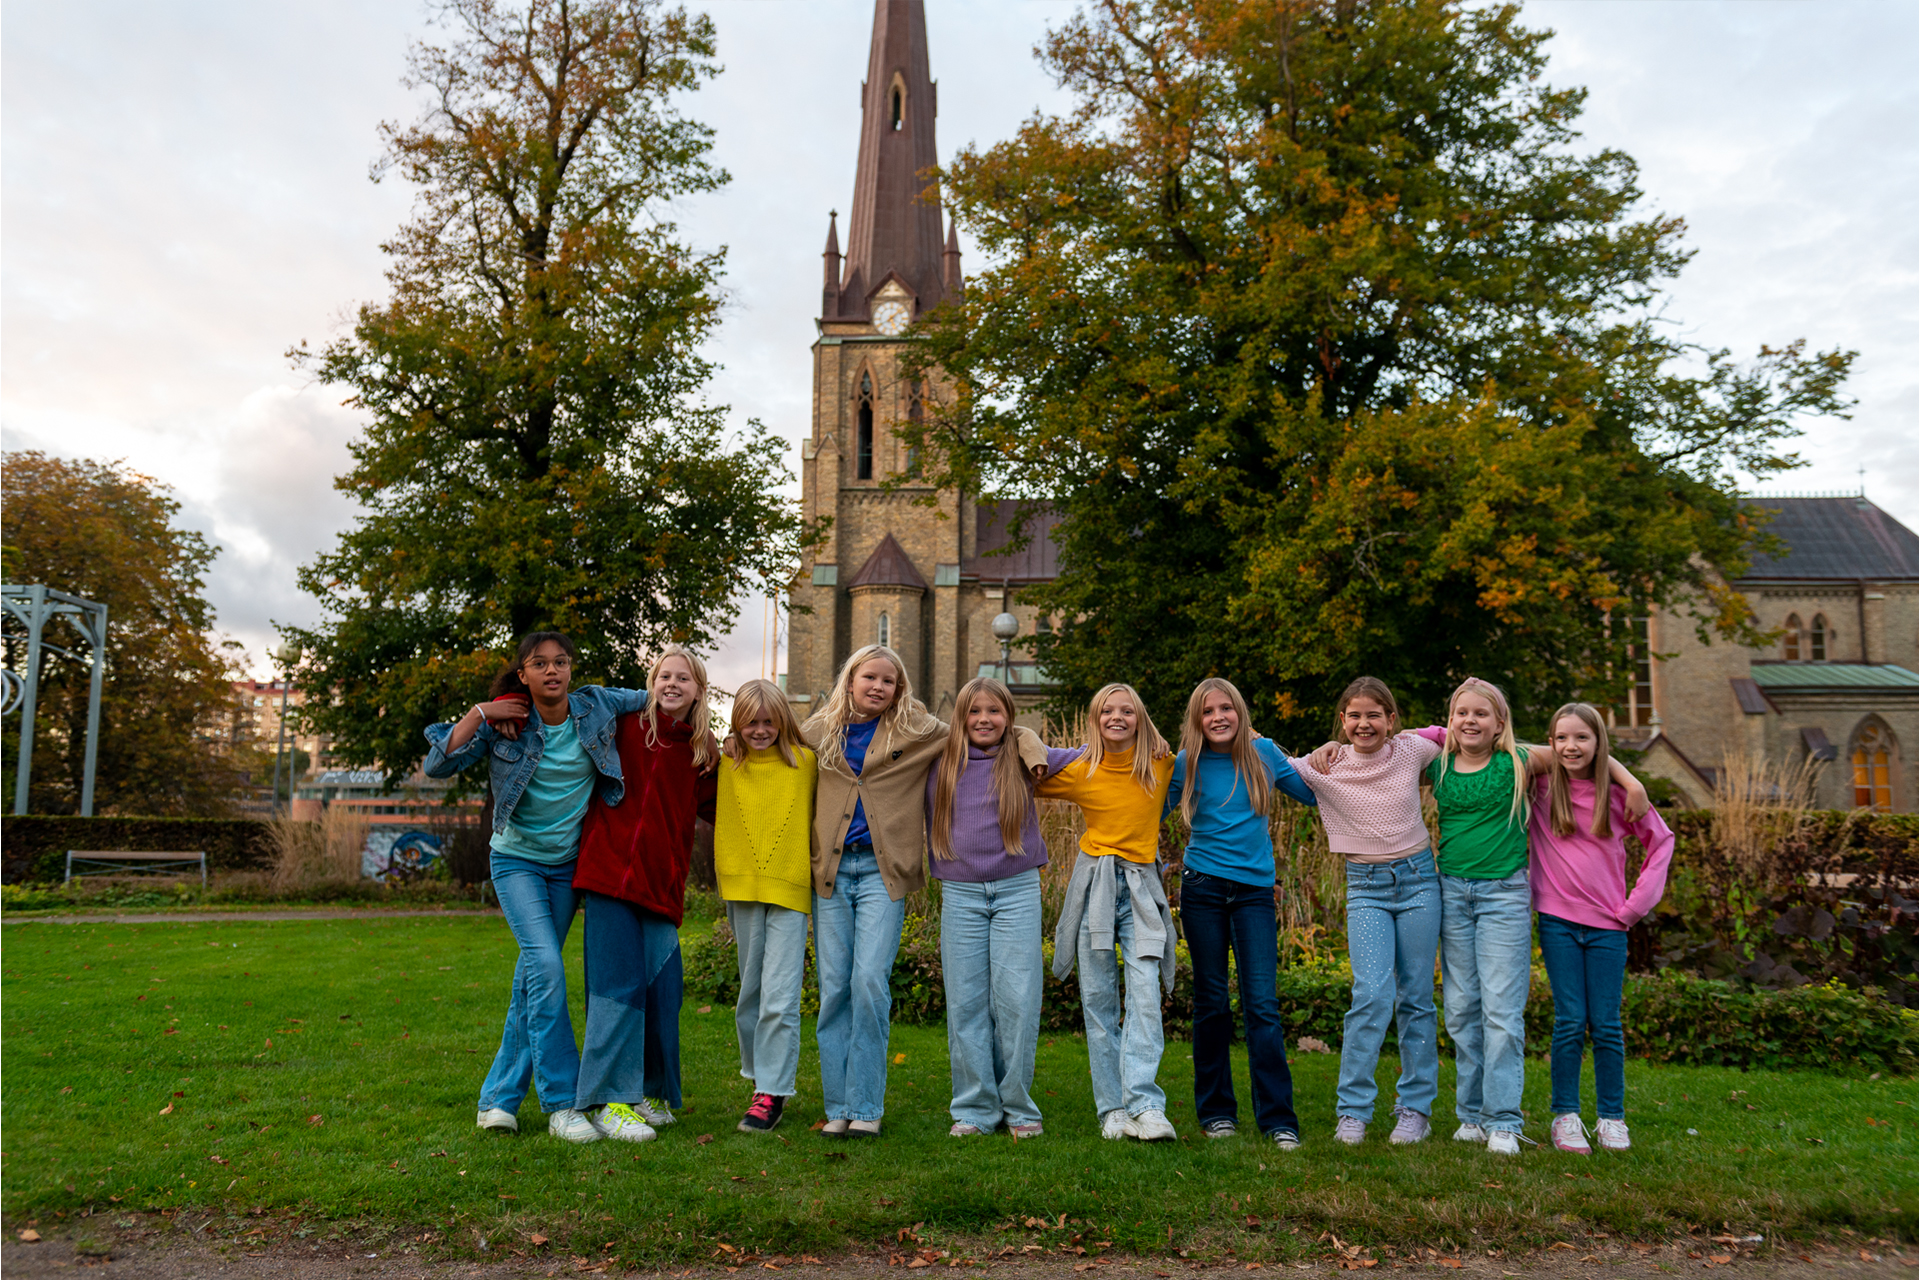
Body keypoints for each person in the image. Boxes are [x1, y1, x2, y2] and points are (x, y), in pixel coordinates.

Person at [1311, 685, 1649, 1156]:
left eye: (1481, 714)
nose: (1471, 721)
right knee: (1462, 1009)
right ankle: (1470, 1114)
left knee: (1502, 1014)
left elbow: (1582, 756)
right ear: (1451, 720)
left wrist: (1631, 783)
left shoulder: (1521, 761)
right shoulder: (1437, 761)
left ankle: (1504, 1119)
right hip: (1449, 892)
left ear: (1500, 722)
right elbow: (1383, 751)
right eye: (1462, 713)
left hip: (1503, 897)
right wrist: (1336, 748)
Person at [803, 644, 1048, 1138]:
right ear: (849, 679)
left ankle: (868, 1108)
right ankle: (841, 1105)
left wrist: (1027, 737)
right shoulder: (814, 732)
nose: (877, 686)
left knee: (870, 983)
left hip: (883, 873)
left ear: (899, 690)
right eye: (868, 677)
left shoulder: (917, 735)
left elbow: (987, 727)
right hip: (829, 873)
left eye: (888, 681)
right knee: (835, 990)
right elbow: (765, 746)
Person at [421, 630, 645, 1144]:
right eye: (539, 664)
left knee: (532, 980)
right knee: (545, 967)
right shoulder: (507, 720)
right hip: (516, 862)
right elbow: (438, 763)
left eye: (561, 662)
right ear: (522, 673)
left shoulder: (596, 704)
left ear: (571, 669)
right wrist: (481, 711)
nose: (552, 671)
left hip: (567, 867)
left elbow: (661, 696)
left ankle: (498, 1101)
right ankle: (563, 1104)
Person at [571, 645, 719, 1143]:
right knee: (618, 988)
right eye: (664, 676)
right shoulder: (625, 728)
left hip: (661, 886)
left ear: (699, 690)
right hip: (609, 876)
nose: (673, 684)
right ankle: (608, 1101)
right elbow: (581, 702)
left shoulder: (702, 753)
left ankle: (648, 1091)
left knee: (662, 991)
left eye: (684, 678)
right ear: (650, 682)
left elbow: (724, 810)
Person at [1292, 676, 1445, 1147]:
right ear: (1343, 721)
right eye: (1355, 715)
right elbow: (1268, 757)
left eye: (1374, 715)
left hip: (1419, 881)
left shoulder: (1411, 750)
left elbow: (1449, 732)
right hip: (1366, 888)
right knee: (1371, 995)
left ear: (1392, 720)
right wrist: (1321, 748)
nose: (1364, 723)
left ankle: (1415, 1109)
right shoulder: (1326, 766)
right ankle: (1353, 1110)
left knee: (1417, 997)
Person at [1167, 677, 1318, 1150]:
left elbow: (1315, 792)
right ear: (1197, 719)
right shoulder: (1186, 763)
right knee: (1211, 1003)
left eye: (1226, 708)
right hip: (1202, 890)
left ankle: (1278, 1119)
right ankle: (1216, 1112)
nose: (1218, 717)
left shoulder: (1264, 754)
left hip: (1254, 892)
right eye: (1208, 710)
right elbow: (1146, 810)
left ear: (1240, 713)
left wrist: (1331, 752)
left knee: (1262, 1006)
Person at [1530, 702, 1674, 1155]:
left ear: (1599, 744)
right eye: (1561, 738)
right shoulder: (1537, 787)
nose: (1571, 746)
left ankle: (1612, 1118)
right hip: (1557, 922)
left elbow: (1661, 842)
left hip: (1609, 926)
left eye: (1582, 737)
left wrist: (1634, 908)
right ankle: (1565, 1116)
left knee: (1607, 1024)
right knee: (1570, 1020)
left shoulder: (1619, 796)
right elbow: (1492, 743)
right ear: (1551, 743)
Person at [1040, 682, 1180, 1142]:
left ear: (1140, 718)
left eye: (1126, 711)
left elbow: (1217, 755)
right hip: (1096, 883)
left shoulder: (1161, 763)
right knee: (1099, 1001)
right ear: (1095, 719)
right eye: (1106, 711)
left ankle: (1146, 1104)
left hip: (1141, 887)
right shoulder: (1083, 768)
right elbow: (1026, 770)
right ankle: (1113, 1109)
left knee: (1144, 995)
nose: (1116, 718)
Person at [928, 677, 1052, 1140]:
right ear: (960, 717)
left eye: (994, 712)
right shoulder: (938, 761)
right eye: (974, 711)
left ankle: (1018, 1105)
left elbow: (1092, 757)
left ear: (1009, 718)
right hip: (960, 893)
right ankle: (976, 1108)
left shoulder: (1022, 759)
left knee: (1017, 1001)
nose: (984, 719)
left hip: (1016, 889)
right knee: (966, 1003)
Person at [714, 678, 817, 1133]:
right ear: (737, 724)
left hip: (791, 889)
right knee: (750, 995)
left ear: (783, 721)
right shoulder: (725, 762)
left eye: (768, 722)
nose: (759, 731)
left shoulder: (806, 762)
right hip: (742, 888)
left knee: (779, 996)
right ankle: (760, 1078)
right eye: (749, 723)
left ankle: (771, 1092)